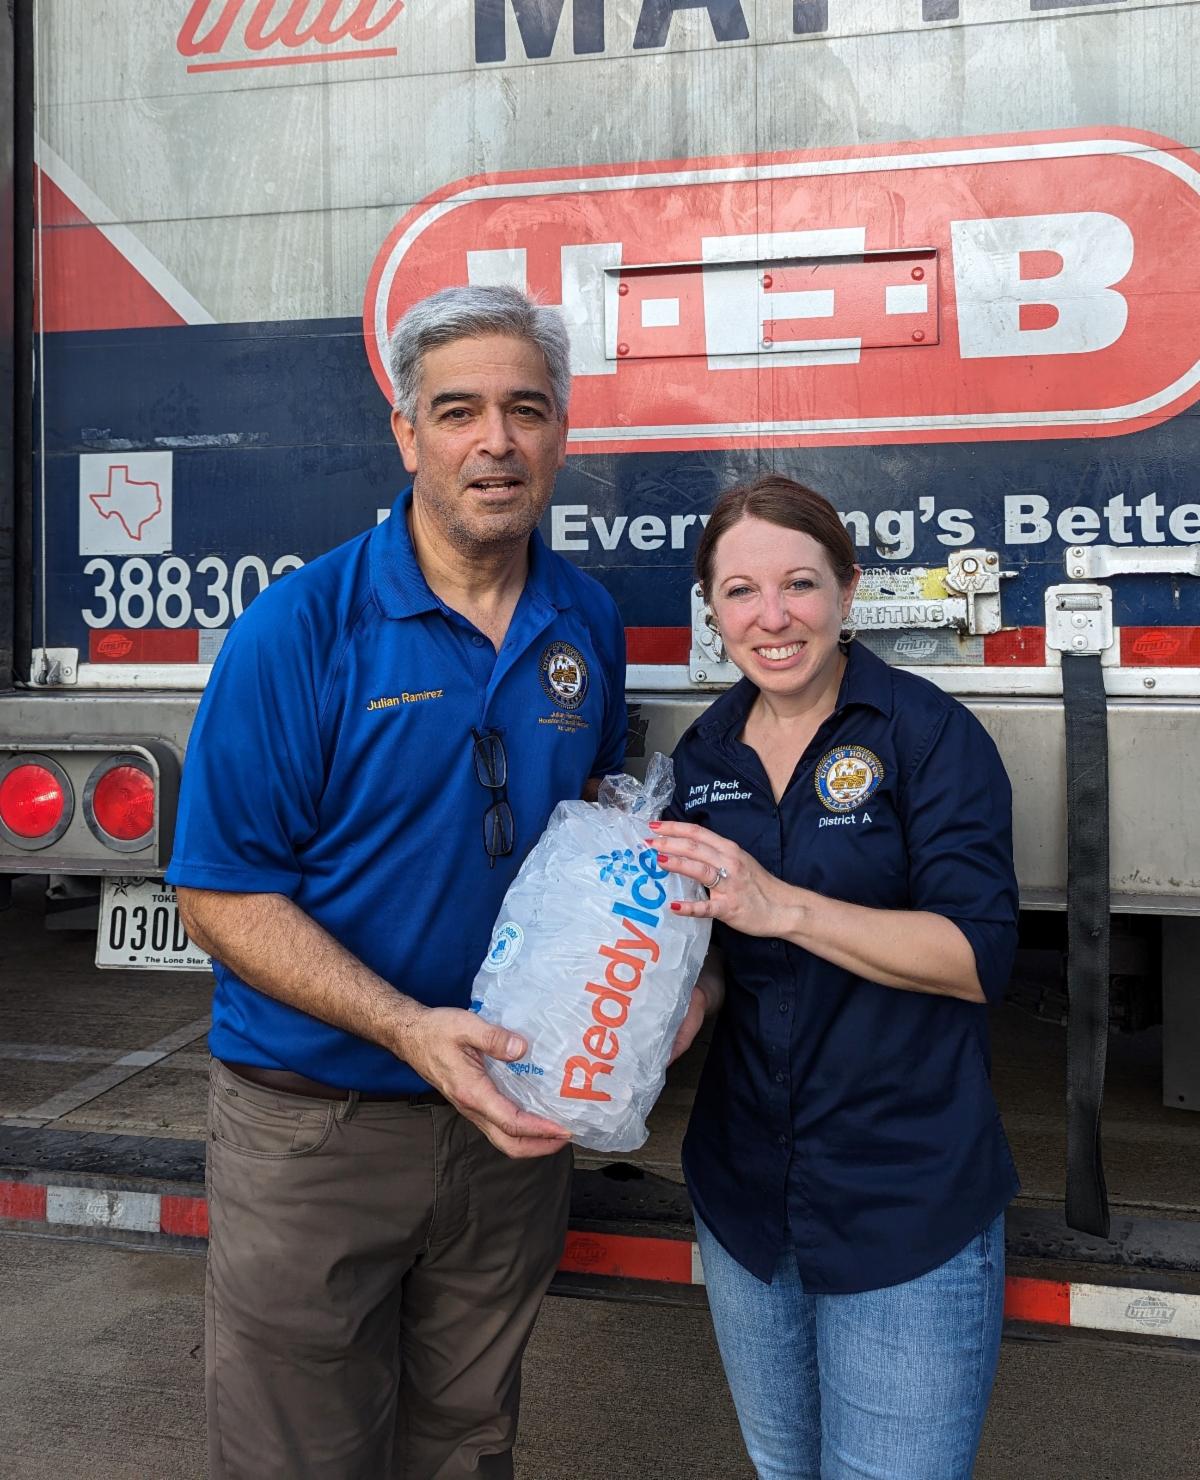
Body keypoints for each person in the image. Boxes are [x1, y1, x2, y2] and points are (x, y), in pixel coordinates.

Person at [166, 285, 627, 1480]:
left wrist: (665, 988)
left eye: (526, 410)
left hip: (508, 1129)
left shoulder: (586, 620)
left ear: (561, 435)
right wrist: (408, 1027)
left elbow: (594, 849)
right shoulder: (300, 629)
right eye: (459, 411)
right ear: (407, 434)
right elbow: (220, 892)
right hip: (317, 1129)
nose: (496, 442)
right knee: (297, 1459)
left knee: (468, 1445)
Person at [652, 475, 1019, 1480]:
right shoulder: (704, 755)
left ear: (850, 589)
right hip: (746, 1199)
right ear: (713, 609)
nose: (772, 617)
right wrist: (688, 1002)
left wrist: (785, 905)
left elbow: (977, 957)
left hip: (902, 1202)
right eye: (740, 591)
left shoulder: (926, 735)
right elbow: (718, 943)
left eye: (800, 584)